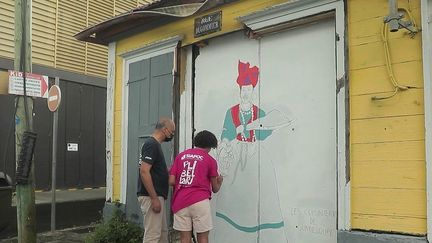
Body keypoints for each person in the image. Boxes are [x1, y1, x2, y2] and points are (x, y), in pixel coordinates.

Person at [169, 130, 223, 243]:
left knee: (184, 238)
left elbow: (172, 181)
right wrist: (220, 181)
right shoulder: (210, 160)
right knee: (203, 237)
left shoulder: (181, 156)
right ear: (210, 146)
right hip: (200, 201)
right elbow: (215, 188)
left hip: (180, 201)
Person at [137, 118, 175, 243]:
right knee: (153, 235)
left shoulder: (154, 145)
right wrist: (154, 198)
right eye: (172, 132)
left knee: (162, 234)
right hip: (151, 196)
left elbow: (154, 170)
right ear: (164, 129)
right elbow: (144, 171)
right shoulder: (151, 144)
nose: (172, 135)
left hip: (158, 196)